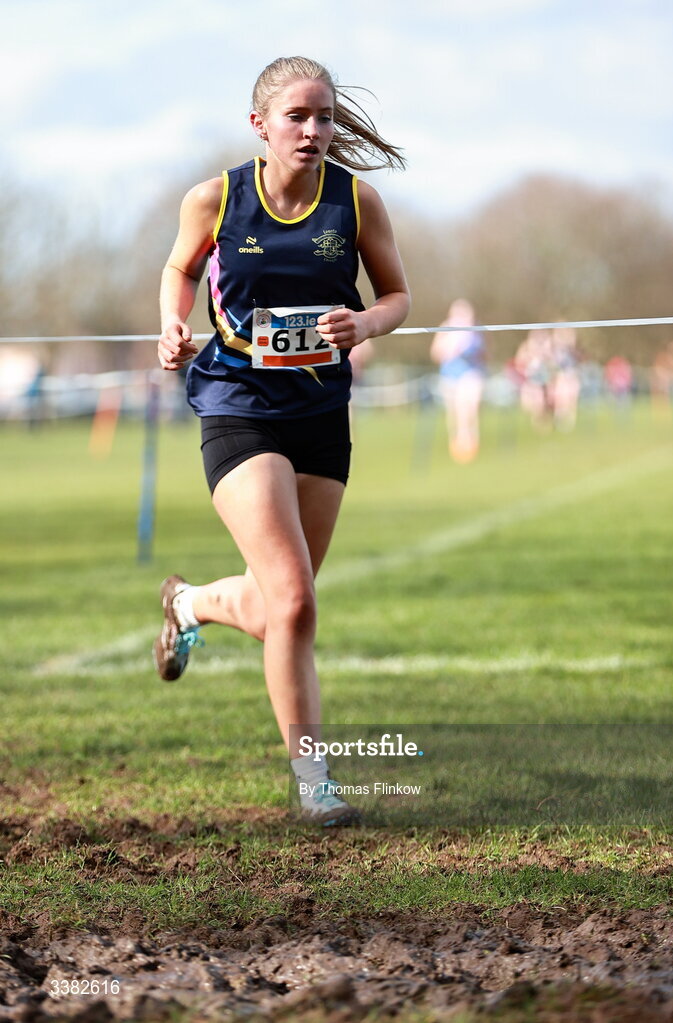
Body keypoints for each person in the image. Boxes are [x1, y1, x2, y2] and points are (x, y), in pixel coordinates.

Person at [154, 56, 410, 827]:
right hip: (238, 406)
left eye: (325, 116)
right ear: (259, 125)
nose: (314, 130)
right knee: (296, 599)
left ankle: (189, 602)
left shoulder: (356, 203)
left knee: (279, 612)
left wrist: (365, 322)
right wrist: (173, 323)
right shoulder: (216, 198)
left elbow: (398, 295)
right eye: (297, 116)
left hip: (320, 413)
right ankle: (314, 785)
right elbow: (179, 268)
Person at [430, 299, 485, 462]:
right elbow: (435, 353)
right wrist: (449, 350)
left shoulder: (476, 329)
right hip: (449, 374)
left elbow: (485, 352)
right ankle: (456, 444)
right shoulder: (445, 328)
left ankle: (471, 442)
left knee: (469, 407)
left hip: (470, 372)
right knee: (454, 411)